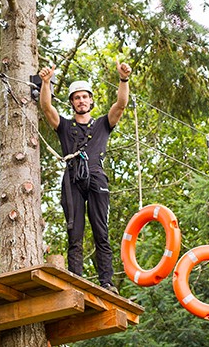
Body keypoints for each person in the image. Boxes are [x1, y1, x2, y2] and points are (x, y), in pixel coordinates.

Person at [38, 61, 131, 294]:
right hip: (72, 180)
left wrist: (123, 79)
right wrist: (46, 82)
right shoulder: (65, 126)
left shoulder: (102, 124)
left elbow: (120, 105)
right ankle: (76, 281)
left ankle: (107, 282)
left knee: (101, 231)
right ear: (72, 102)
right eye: (76, 98)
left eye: (84, 97)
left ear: (91, 101)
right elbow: (47, 107)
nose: (81, 101)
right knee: (74, 233)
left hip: (96, 177)